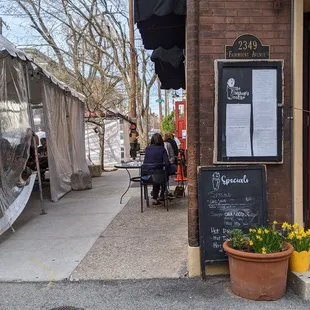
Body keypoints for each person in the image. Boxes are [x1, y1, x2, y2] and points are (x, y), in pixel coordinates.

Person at [142, 133, 170, 206]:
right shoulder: (162, 149)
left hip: (145, 177)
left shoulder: (147, 148)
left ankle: (155, 198)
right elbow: (167, 163)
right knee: (161, 174)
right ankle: (161, 194)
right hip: (158, 177)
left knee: (155, 173)